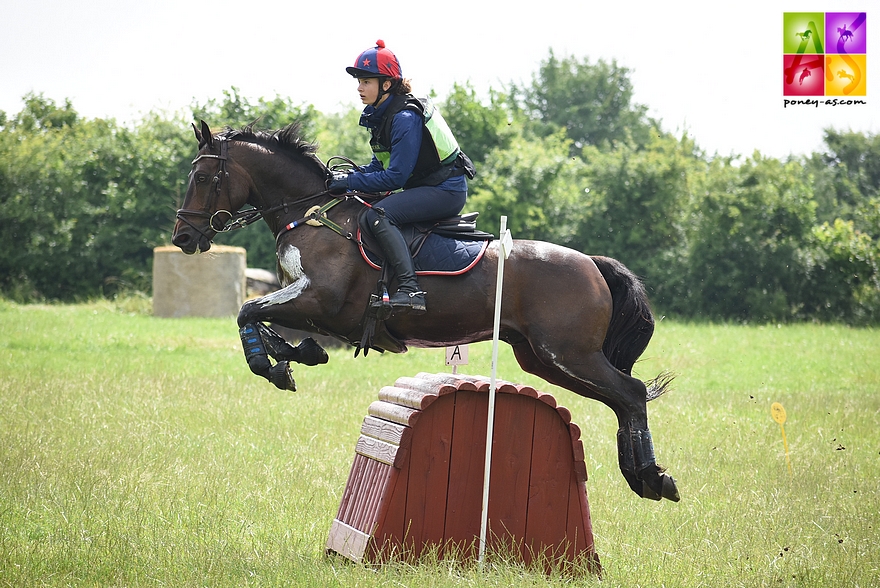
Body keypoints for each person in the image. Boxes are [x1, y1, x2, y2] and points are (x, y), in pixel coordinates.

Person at [328, 40, 472, 315]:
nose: (359, 87)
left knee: (379, 215)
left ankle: (410, 289)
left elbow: (394, 177)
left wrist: (350, 183)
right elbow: (378, 165)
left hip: (446, 191)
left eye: (366, 81)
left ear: (386, 85)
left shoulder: (404, 117)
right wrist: (348, 175)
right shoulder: (381, 115)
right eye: (359, 81)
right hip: (428, 187)